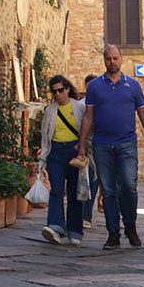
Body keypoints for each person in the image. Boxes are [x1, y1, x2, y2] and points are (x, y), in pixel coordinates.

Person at [77, 44, 144, 250]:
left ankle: (130, 225)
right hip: (102, 145)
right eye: (108, 59)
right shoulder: (95, 86)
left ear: (121, 59)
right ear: (104, 60)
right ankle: (113, 233)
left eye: (115, 58)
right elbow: (88, 117)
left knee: (128, 186)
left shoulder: (132, 85)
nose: (112, 62)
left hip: (126, 144)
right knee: (108, 190)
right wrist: (81, 146)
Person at [36, 75, 86, 245]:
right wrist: (42, 160)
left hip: (73, 150)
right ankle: (56, 227)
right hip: (55, 152)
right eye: (54, 91)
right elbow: (45, 137)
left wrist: (84, 151)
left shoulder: (79, 107)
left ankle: (75, 231)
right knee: (56, 190)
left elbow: (87, 130)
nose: (57, 94)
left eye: (60, 90)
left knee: (74, 192)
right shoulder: (50, 110)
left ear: (67, 89)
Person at [81, 73, 100, 227]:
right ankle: (83, 215)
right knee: (85, 182)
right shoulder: (81, 105)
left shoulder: (103, 104)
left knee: (95, 182)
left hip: (100, 148)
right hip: (85, 148)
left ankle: (87, 215)